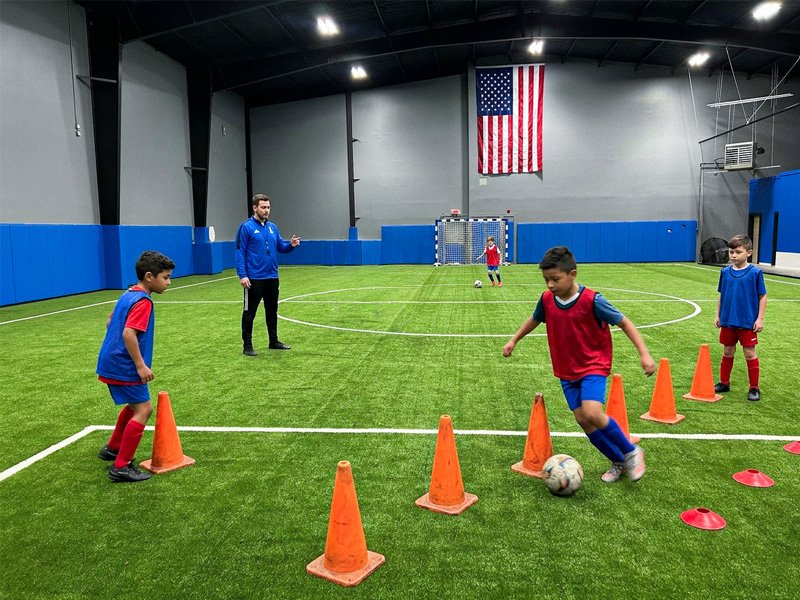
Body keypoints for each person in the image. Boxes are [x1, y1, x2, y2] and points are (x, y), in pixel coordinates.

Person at [502, 246, 655, 483]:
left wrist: (644, 354)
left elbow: (625, 323)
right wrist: (514, 340)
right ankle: (618, 461)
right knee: (583, 420)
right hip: (566, 370)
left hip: (593, 365)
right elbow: (534, 319)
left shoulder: (593, 300)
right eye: (546, 280)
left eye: (555, 279)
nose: (550, 285)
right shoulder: (547, 300)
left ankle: (631, 451)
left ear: (572, 274)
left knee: (593, 412)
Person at [96, 251, 175, 483]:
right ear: (149, 276)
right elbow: (129, 333)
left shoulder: (129, 293)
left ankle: (112, 448)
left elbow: (110, 320)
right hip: (125, 365)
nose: (169, 282)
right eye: (166, 277)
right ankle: (121, 465)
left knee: (133, 406)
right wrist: (140, 366)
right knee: (144, 409)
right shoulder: (144, 302)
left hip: (111, 360)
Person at [236, 194, 300, 356]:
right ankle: (247, 345)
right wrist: (243, 275)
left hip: (272, 277)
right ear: (255, 208)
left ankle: (273, 341)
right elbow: (240, 252)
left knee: (272, 311)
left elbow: (281, 247)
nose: (266, 210)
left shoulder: (273, 227)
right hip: (254, 279)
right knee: (249, 313)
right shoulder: (246, 227)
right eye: (263, 207)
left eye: (268, 207)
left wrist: (291, 245)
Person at [714, 234, 767, 401]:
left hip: (747, 322)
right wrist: (718, 315)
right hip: (728, 320)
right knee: (727, 351)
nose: (734, 255)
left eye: (738, 252)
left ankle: (754, 388)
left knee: (750, 353)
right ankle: (724, 383)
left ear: (749, 253)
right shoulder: (725, 272)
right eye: (731, 252)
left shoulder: (755, 272)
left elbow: (762, 296)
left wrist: (760, 319)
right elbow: (721, 295)